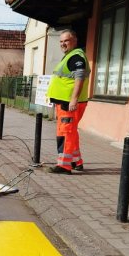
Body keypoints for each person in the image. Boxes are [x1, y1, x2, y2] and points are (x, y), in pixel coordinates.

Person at [46, 29, 90, 174]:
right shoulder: (70, 56)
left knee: (66, 133)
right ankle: (76, 162)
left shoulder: (76, 57)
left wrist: (73, 100)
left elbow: (79, 78)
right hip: (65, 102)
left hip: (69, 103)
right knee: (70, 132)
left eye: (66, 40)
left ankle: (64, 166)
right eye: (61, 41)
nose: (63, 44)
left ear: (74, 41)